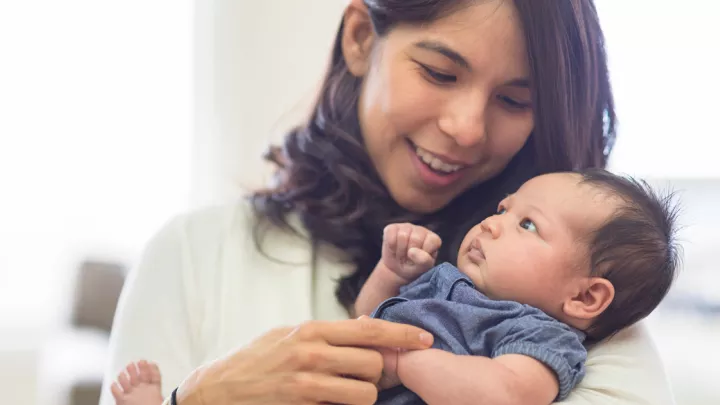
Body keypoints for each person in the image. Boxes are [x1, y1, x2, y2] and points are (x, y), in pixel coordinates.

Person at [100, 0, 677, 404]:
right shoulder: (193, 253)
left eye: (513, 100)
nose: (467, 128)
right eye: (439, 72)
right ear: (359, 39)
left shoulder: (575, 302)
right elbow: (368, 324)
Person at [357, 170, 680, 404]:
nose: (490, 223)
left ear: (584, 297)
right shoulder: (443, 279)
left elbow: (506, 394)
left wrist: (404, 363)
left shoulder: (537, 334)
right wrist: (391, 272)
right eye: (503, 209)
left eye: (527, 225)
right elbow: (363, 320)